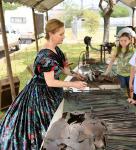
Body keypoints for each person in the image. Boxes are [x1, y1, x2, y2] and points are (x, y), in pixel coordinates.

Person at [0, 19, 87, 150]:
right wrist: (74, 85)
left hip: (53, 92)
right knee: (46, 124)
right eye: (61, 34)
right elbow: (50, 81)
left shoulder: (56, 49)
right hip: (41, 94)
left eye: (64, 33)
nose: (64, 36)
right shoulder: (46, 57)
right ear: (51, 34)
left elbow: (63, 69)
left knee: (58, 119)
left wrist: (75, 74)